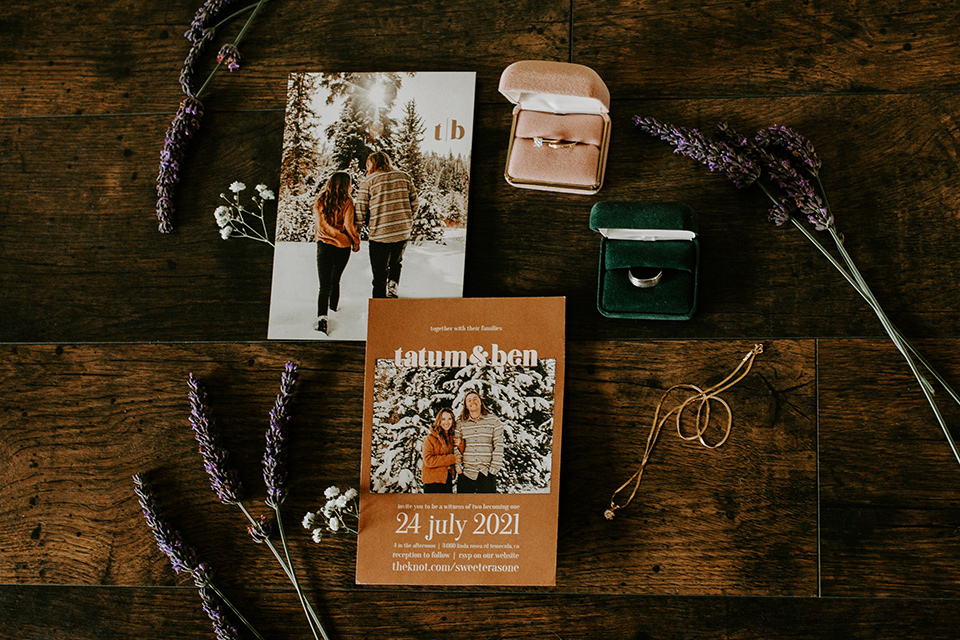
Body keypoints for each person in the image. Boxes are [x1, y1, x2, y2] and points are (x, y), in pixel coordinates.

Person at [354, 151, 418, 298]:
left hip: (380, 234)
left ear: (373, 164)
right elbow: (415, 203)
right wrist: (406, 220)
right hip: (401, 232)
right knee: (396, 262)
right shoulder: (404, 176)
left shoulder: (368, 181)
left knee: (379, 274)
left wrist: (356, 232)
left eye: (368, 165)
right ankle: (393, 286)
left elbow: (360, 209)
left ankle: (379, 306)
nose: (367, 168)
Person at [313, 172, 360, 335]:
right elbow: (348, 224)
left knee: (324, 285)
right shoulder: (347, 201)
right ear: (347, 185)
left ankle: (322, 318)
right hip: (343, 246)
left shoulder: (321, 199)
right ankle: (333, 309)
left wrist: (329, 234)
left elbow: (320, 223)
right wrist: (355, 240)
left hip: (324, 245)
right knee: (336, 280)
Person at [455, 390, 504, 494]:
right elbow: (455, 447)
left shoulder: (494, 421)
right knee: (464, 508)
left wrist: (493, 469)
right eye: (469, 400)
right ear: (466, 406)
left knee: (487, 508)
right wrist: (459, 469)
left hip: (486, 473)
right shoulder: (460, 423)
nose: (472, 402)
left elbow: (499, 445)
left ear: (481, 402)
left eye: (475, 399)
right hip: (466, 473)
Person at [421, 408, 463, 493]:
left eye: (449, 419)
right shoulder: (430, 438)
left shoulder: (452, 437)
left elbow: (460, 454)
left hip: (447, 481)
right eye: (443, 419)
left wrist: (461, 443)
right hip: (432, 482)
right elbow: (428, 461)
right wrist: (451, 459)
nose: (446, 422)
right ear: (438, 421)